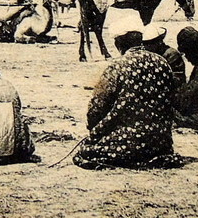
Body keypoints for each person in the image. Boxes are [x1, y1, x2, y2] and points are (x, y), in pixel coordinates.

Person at [73, 16, 178, 170]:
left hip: (125, 144)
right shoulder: (162, 62)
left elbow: (97, 107)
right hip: (161, 144)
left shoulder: (117, 67)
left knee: (84, 153)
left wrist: (95, 132)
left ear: (118, 43)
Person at [142, 23, 186, 88]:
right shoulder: (146, 55)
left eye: (150, 43)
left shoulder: (172, 54)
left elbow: (178, 78)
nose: (146, 46)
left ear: (159, 41)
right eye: (145, 44)